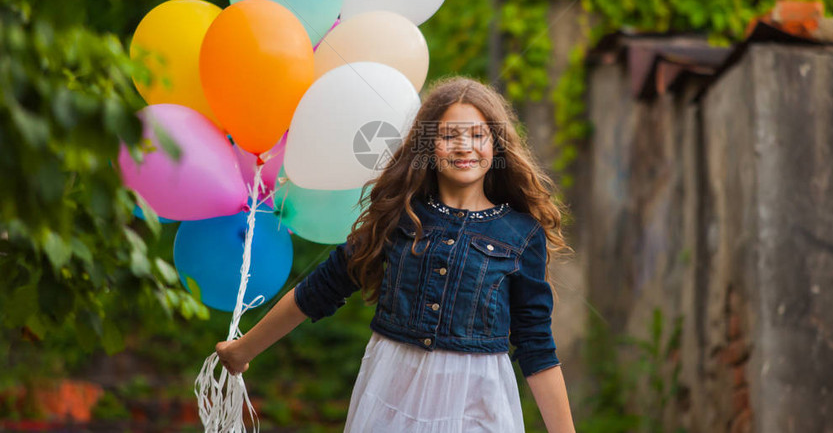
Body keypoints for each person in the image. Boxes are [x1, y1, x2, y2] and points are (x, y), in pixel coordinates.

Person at [216, 76, 577, 433]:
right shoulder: (399, 217)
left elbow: (535, 344)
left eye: (477, 135)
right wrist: (243, 350)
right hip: (390, 394)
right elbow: (321, 288)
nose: (464, 146)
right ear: (428, 147)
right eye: (449, 135)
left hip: (477, 404)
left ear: (495, 145)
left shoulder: (521, 233)